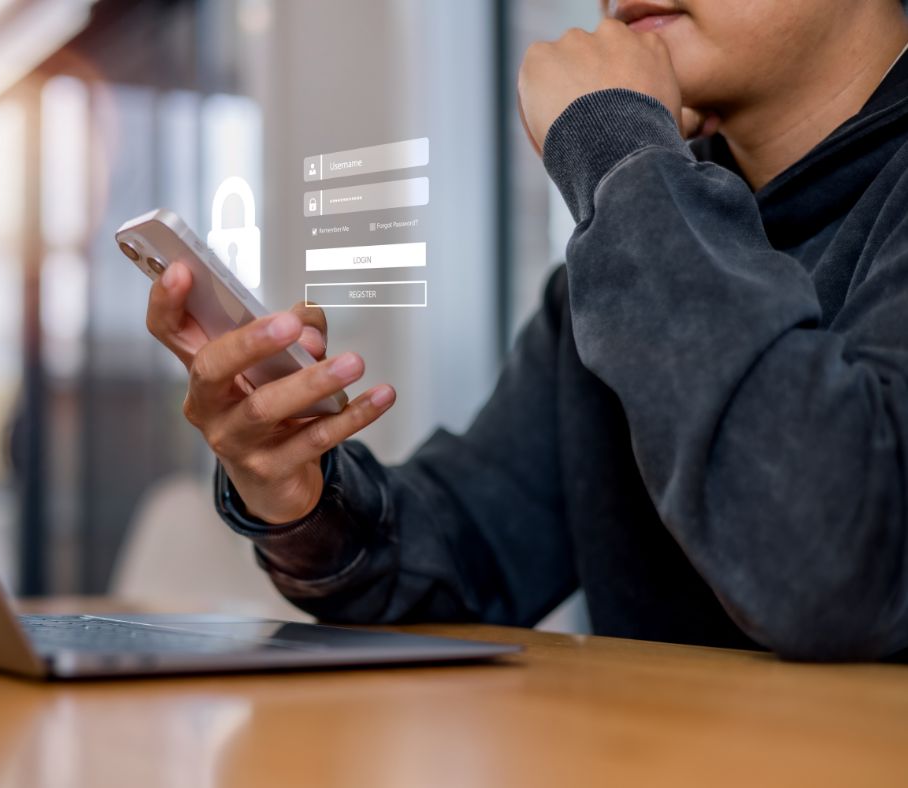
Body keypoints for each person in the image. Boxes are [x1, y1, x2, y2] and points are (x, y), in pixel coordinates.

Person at [145, 0, 908, 661]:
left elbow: (833, 569)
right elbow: (460, 556)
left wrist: (616, 147)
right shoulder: (640, 231)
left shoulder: (644, 215)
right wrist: (300, 490)